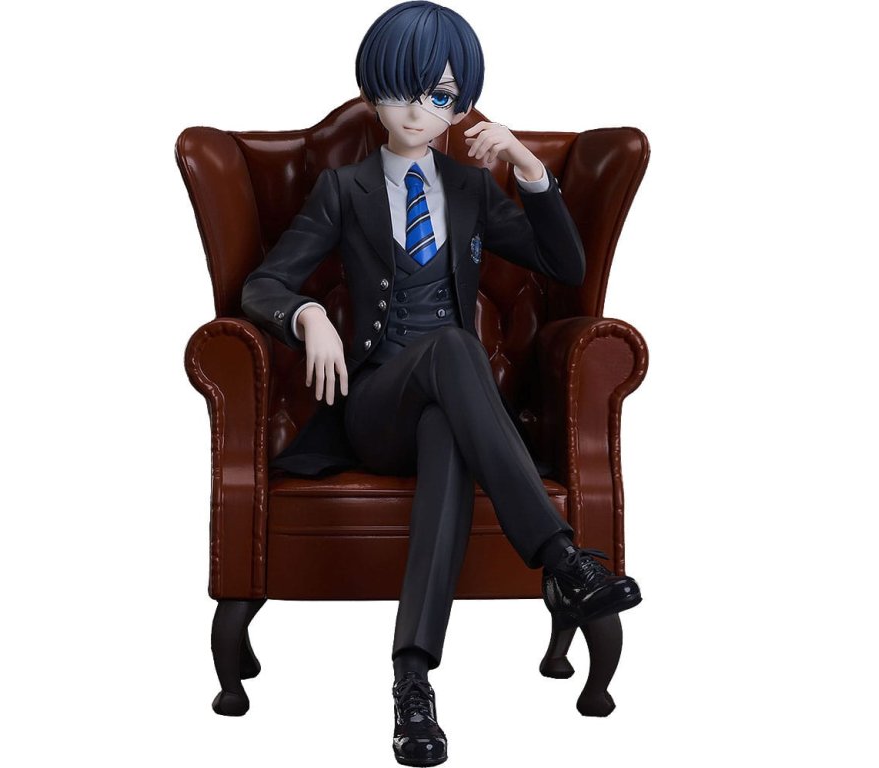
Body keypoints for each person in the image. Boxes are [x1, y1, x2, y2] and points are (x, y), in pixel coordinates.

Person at [240, 3, 641, 764]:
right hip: (372, 409)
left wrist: (529, 168)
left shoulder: (471, 188)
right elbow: (262, 285)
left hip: (447, 410)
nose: (418, 110)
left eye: (440, 95)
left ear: (460, 107)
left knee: (449, 435)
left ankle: (412, 681)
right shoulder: (343, 189)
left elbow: (566, 267)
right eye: (401, 90)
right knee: (456, 348)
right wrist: (306, 316)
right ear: (373, 94)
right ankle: (564, 561)